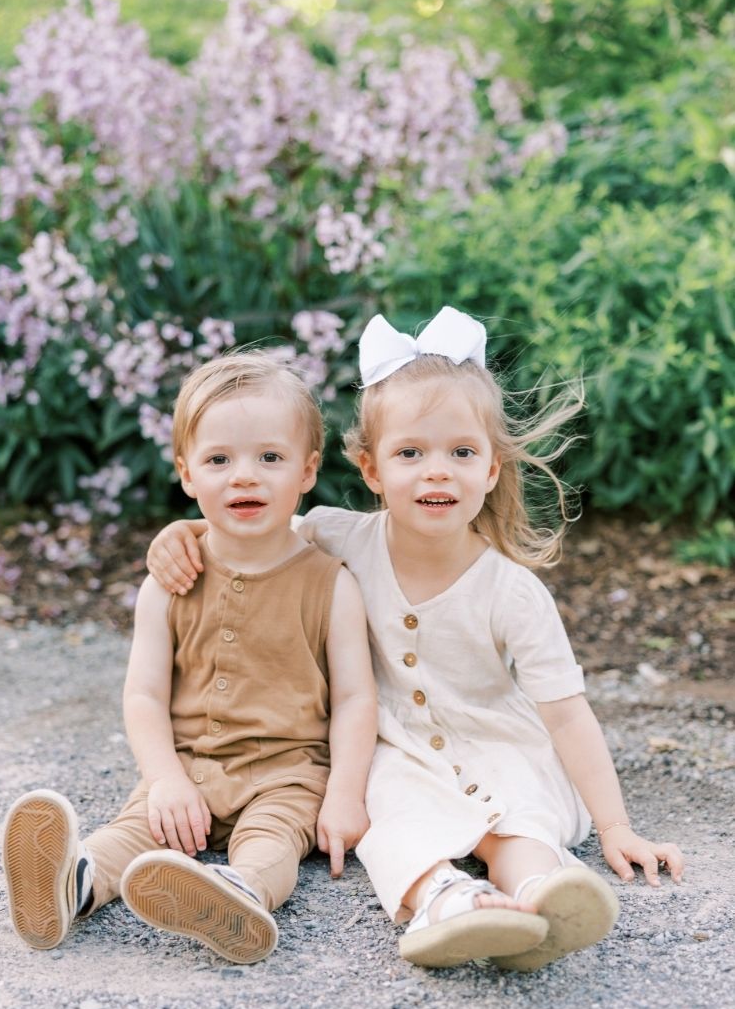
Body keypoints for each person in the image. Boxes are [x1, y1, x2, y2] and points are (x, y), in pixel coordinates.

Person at [147, 308, 686, 969]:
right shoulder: (338, 534)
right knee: (392, 820)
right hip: (393, 747)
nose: (438, 472)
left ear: (491, 469)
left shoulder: (512, 591)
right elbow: (253, 531)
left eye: (461, 452)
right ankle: (446, 902)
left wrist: (615, 827)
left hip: (498, 740)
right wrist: (183, 536)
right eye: (411, 453)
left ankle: (545, 896)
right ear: (371, 470)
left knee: (513, 821)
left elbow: (568, 715)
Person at [0, 353, 377, 964]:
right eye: (219, 460)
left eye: (270, 458)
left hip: (288, 771)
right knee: (135, 831)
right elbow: (144, 695)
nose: (244, 477)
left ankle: (239, 892)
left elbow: (358, 698)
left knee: (273, 839)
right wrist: (166, 778)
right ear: (186, 473)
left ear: (308, 472)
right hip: (188, 769)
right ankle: (72, 883)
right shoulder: (170, 580)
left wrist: (344, 793)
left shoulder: (332, 584)